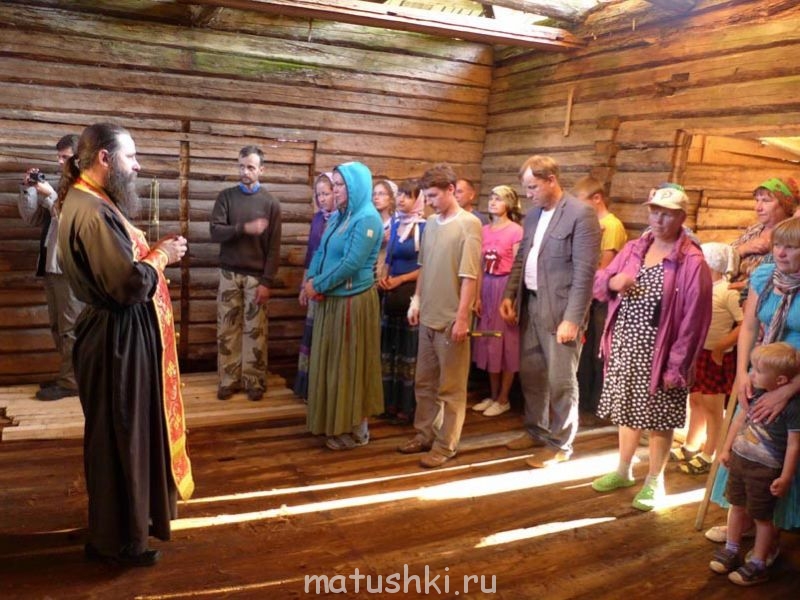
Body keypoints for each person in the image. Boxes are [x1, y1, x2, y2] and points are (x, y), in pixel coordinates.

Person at [56, 123, 194, 566]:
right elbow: (127, 284)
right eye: (131, 157)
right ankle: (119, 543)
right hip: (116, 339)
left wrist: (151, 253)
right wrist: (163, 256)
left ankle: (117, 529)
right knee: (123, 437)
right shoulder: (92, 210)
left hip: (114, 334)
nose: (137, 166)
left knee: (119, 435)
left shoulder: (88, 199)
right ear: (104, 158)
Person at [590, 186, 712, 511]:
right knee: (627, 408)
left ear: (681, 217)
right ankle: (623, 470)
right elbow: (600, 282)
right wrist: (613, 282)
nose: (658, 219)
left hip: (663, 352)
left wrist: (677, 366)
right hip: (626, 344)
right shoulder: (635, 248)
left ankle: (655, 480)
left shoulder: (692, 262)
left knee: (659, 417)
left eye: (667, 214)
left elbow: (694, 322)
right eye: (654, 211)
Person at [500, 155, 600, 468]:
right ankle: (536, 429)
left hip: (560, 310)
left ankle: (560, 443)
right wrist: (509, 294)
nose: (528, 194)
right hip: (530, 304)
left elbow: (585, 273)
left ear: (551, 180)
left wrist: (573, 319)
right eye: (526, 187)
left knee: (561, 381)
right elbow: (521, 258)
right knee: (531, 374)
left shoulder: (580, 214)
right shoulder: (532, 216)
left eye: (533, 187)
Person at [706, 216, 800, 545]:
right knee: (747, 443)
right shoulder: (764, 276)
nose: (781, 253)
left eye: (792, 247)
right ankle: (743, 520)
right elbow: (749, 327)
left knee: (782, 448)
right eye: (778, 245)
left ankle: (772, 529)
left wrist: (789, 389)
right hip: (762, 371)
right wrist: (741, 373)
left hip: (794, 375)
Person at [397, 164, 481, 468]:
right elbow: (425, 266)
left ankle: (446, 445)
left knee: (451, 388)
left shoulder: (469, 224)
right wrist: (416, 300)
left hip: (451, 319)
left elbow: (470, 275)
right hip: (428, 315)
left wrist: (462, 318)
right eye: (427, 196)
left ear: (450, 190)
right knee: (425, 383)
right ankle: (425, 434)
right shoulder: (431, 224)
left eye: (433, 195)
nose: (429, 202)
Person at [304, 162, 383, 450]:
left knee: (350, 365)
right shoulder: (339, 215)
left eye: (341, 185)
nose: (335, 190)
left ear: (356, 186)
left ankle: (357, 430)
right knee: (332, 365)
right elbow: (321, 251)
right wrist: (311, 280)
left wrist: (318, 285)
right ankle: (334, 423)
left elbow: (351, 264)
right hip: (331, 300)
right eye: (334, 184)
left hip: (353, 303)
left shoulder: (367, 219)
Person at [709, 342, 800, 586]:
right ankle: (732, 549)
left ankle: (759, 562)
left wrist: (786, 477)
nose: (752, 375)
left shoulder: (792, 407)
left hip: (764, 471)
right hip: (740, 463)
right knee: (736, 505)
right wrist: (726, 448)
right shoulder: (754, 393)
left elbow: (794, 445)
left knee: (762, 517)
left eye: (758, 371)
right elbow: (738, 421)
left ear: (780, 380)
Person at [210, 145, 282, 402]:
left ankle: (254, 381)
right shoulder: (226, 197)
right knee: (227, 329)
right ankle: (228, 380)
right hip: (229, 274)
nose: (245, 171)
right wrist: (243, 228)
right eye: (241, 166)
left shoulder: (271, 204)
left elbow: (274, 248)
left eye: (250, 167)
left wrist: (267, 281)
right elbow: (215, 232)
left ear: (262, 170)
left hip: (256, 278)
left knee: (256, 330)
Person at [18, 134, 83, 401]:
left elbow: (73, 220)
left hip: (69, 267)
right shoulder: (61, 185)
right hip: (50, 265)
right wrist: (29, 190)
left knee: (71, 327)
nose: (59, 162)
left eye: (64, 157)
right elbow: (31, 219)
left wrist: (50, 195)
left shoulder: (85, 188)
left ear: (79, 158)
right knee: (58, 326)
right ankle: (67, 376)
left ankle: (72, 382)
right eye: (58, 157)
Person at [675, 243, 742, 475]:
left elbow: (743, 324)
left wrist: (721, 347)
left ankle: (710, 452)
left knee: (713, 406)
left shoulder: (727, 291)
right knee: (696, 400)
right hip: (699, 352)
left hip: (715, 355)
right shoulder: (701, 288)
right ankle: (691, 444)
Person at [573, 176, 627, 418]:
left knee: (598, 349)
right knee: (586, 349)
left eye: (582, 201)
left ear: (597, 198)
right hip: (589, 295)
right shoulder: (593, 223)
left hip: (603, 298)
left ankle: (598, 402)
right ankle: (584, 398)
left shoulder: (611, 225)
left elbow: (605, 267)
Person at [471, 185, 523, 417]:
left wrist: (512, 299)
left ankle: (504, 398)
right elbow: (479, 266)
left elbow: (518, 268)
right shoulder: (483, 230)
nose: (493, 202)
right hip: (487, 286)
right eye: (491, 198)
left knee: (506, 343)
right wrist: (477, 295)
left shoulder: (515, 231)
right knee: (489, 342)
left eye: (499, 199)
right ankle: (493, 395)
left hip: (504, 286)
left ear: (509, 204)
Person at [378, 180, 426, 425]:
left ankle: (407, 407)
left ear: (418, 200)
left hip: (410, 293)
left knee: (408, 352)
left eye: (408, 196)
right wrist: (384, 277)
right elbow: (389, 258)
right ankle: (388, 401)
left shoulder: (425, 228)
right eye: (400, 195)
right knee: (389, 350)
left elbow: (425, 266)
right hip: (391, 295)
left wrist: (400, 279)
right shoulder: (397, 224)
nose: (401, 200)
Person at [294, 172, 335, 400]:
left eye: (326, 193)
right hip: (312, 282)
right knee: (312, 334)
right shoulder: (318, 219)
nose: (322, 198)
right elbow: (311, 254)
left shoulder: (343, 220)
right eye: (319, 194)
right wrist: (304, 284)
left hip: (331, 285)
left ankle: (324, 390)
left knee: (326, 338)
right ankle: (308, 387)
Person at [729, 177, 799, 292]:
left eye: (766, 201)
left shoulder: (793, 235)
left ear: (785, 204)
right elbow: (723, 257)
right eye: (757, 200)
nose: (758, 208)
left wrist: (749, 286)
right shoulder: (755, 230)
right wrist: (744, 248)